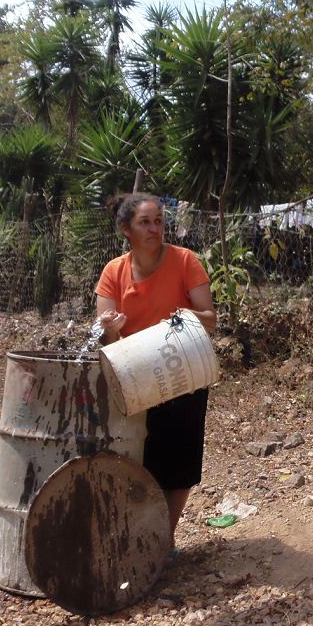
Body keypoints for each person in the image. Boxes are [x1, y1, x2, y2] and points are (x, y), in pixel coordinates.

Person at [94, 193, 216, 542]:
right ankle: (131, 538)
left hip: (182, 371)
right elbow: (104, 334)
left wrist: (182, 316)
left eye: (159, 221)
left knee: (179, 467)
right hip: (135, 376)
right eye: (145, 222)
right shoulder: (113, 272)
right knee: (136, 458)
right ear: (125, 229)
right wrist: (110, 328)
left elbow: (210, 320)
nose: (154, 228)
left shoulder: (185, 261)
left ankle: (163, 540)